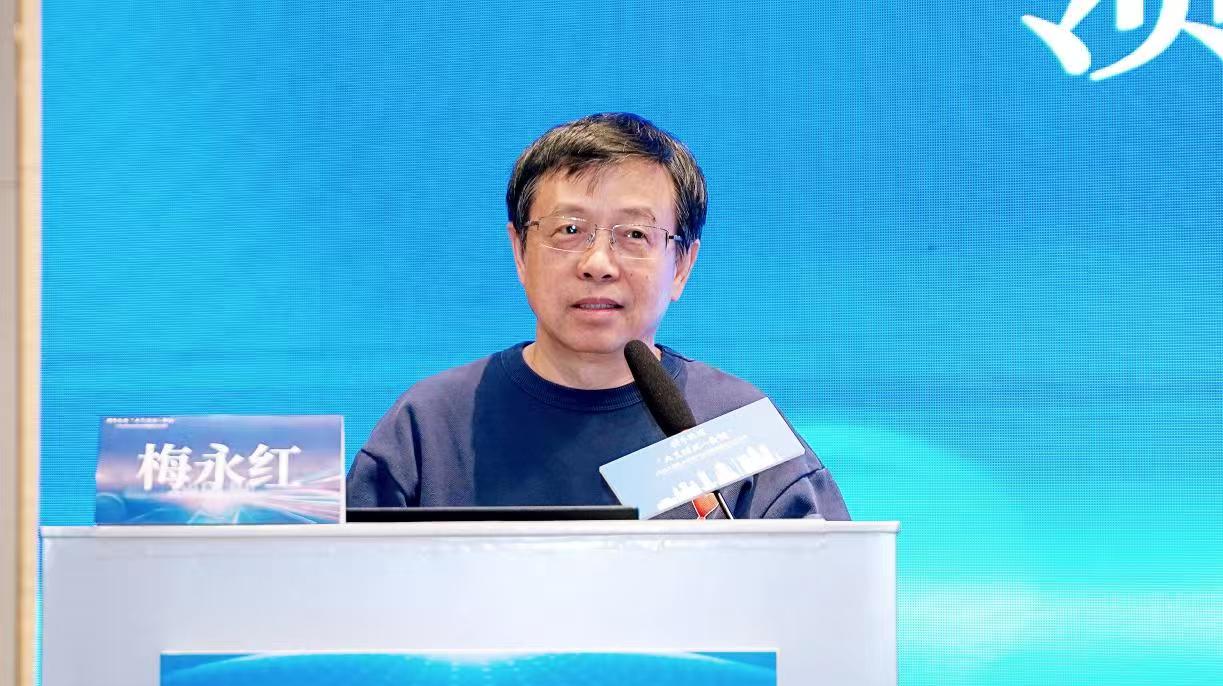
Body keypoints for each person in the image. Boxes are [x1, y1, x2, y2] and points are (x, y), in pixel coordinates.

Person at [347, 113, 848, 520]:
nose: (598, 264)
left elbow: (827, 596)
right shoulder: (429, 426)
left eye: (635, 235)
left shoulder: (738, 429)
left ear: (682, 266)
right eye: (569, 230)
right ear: (520, 250)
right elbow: (336, 593)